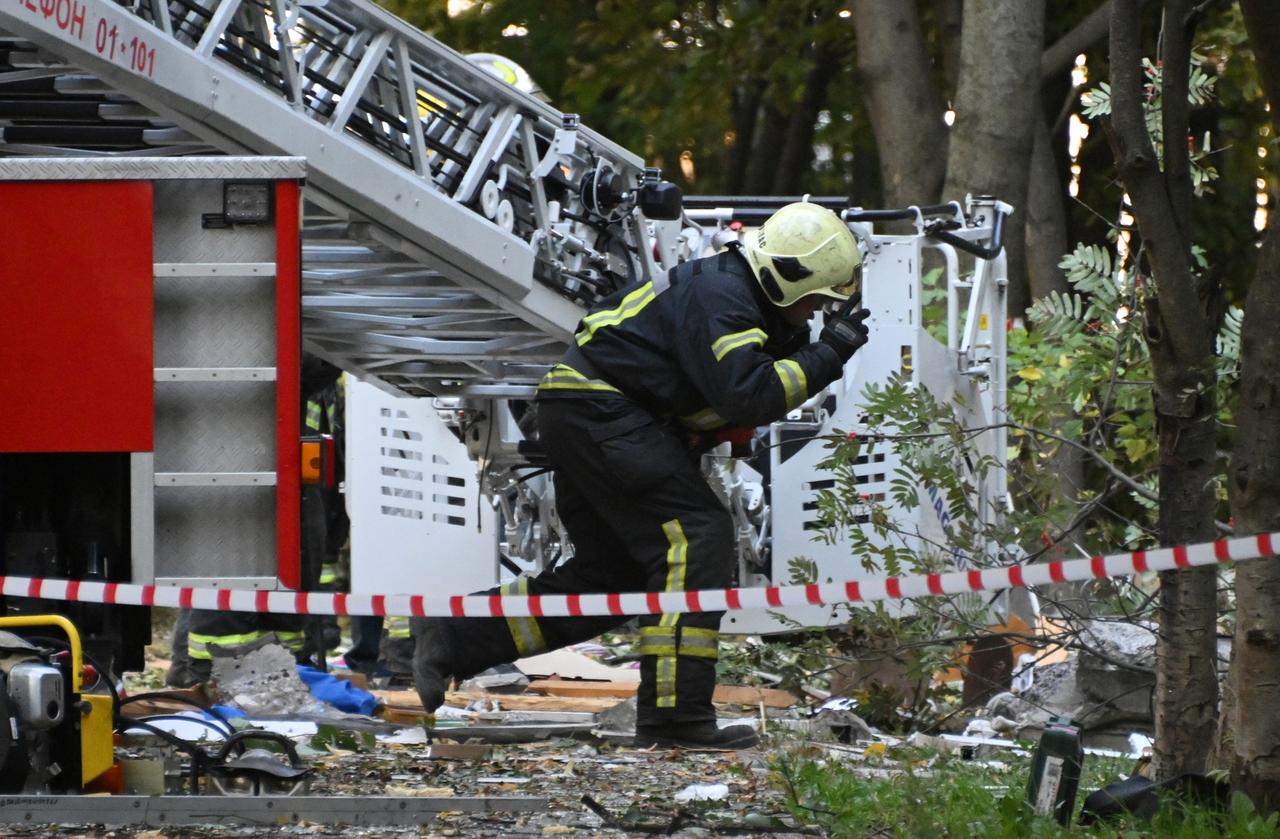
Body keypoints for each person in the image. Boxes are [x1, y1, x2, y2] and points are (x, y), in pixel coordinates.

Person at [410, 202, 871, 749]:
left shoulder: (735, 293)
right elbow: (749, 394)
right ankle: (676, 721)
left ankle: (455, 636)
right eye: (817, 300)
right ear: (788, 280)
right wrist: (830, 352)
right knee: (697, 536)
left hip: (588, 413)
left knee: (614, 575)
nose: (818, 312)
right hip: (602, 413)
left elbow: (714, 392)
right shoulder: (723, 297)